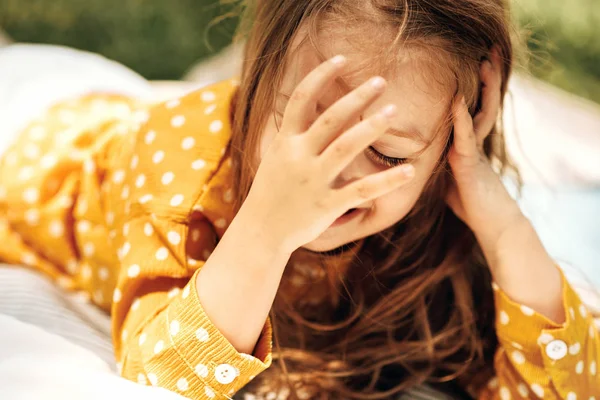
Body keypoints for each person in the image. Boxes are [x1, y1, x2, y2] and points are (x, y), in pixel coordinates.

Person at [0, 0, 597, 399]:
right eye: (307, 125)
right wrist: (266, 230)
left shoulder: (439, 201)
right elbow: (161, 377)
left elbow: (566, 386)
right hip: (33, 126)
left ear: (454, 138)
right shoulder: (178, 164)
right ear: (257, 75)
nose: (333, 175)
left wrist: (504, 228)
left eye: (386, 155)